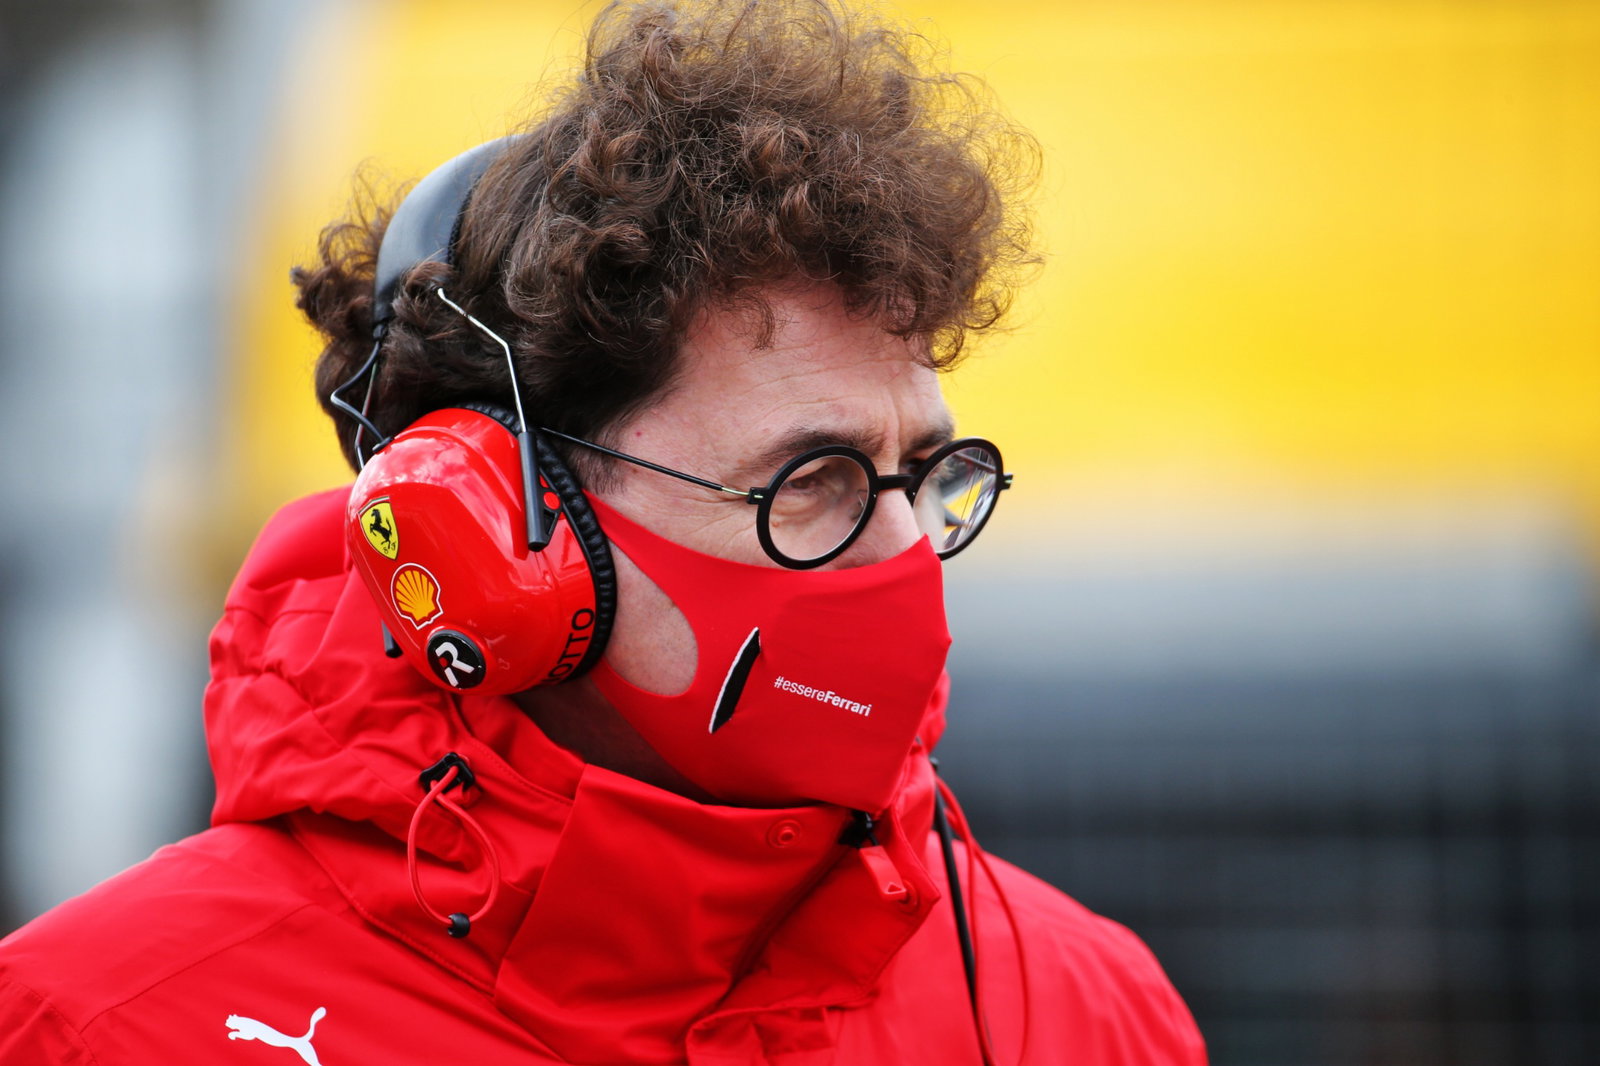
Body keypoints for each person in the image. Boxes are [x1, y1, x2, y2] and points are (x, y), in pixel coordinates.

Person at [0, 1, 1206, 1062]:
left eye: (924, 472)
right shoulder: (93, 1028)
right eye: (813, 479)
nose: (893, 552)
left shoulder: (1083, 1008)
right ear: (502, 536)